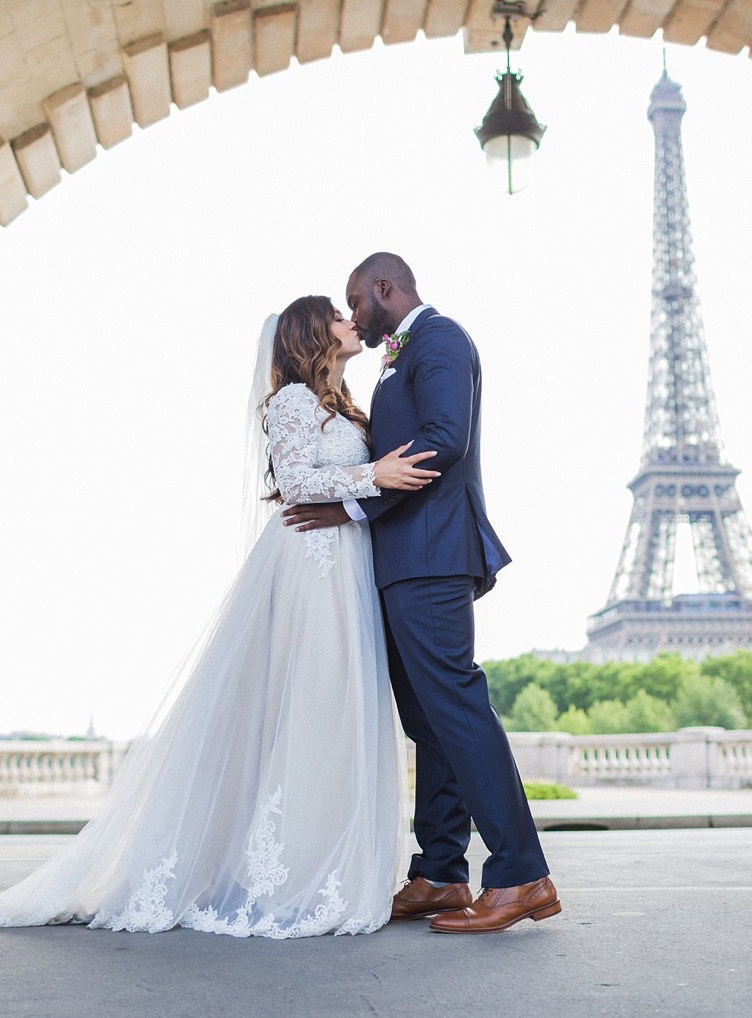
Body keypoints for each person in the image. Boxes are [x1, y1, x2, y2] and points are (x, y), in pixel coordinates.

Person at [0, 296, 438, 938]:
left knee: (335, 707)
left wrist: (370, 474)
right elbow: (296, 482)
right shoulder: (294, 401)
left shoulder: (341, 404)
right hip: (310, 567)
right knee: (310, 704)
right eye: (336, 315)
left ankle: (314, 861)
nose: (352, 322)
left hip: (342, 564)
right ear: (309, 334)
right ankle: (286, 871)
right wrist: (373, 472)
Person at [283, 252, 561, 934]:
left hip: (431, 556)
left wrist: (351, 505)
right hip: (403, 560)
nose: (352, 316)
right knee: (429, 723)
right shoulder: (400, 357)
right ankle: (440, 873)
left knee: (458, 708)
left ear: (386, 288)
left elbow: (446, 439)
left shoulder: (439, 340)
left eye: (356, 300)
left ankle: (522, 873)